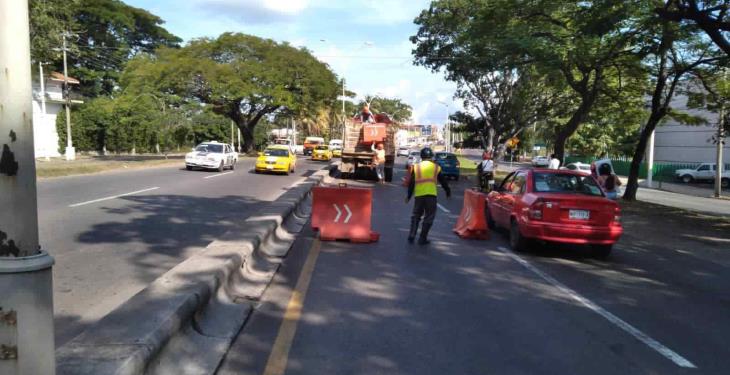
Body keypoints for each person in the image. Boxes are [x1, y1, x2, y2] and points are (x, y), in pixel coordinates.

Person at [406, 148, 452, 245]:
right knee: (429, 216)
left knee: (416, 215)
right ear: (431, 156)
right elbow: (443, 181)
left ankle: (412, 234)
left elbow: (411, 183)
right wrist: (448, 191)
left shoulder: (416, 167)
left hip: (419, 195)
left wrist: (409, 196)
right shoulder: (436, 167)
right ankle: (422, 238)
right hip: (431, 195)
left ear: (421, 156)